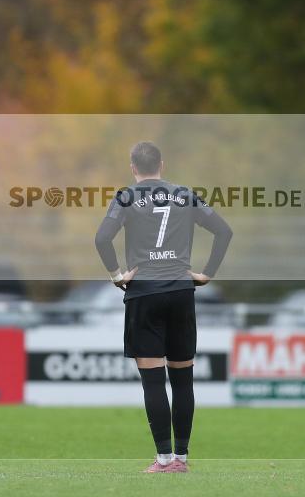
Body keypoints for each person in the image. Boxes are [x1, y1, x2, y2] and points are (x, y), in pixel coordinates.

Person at [95, 141, 233, 473]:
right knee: (183, 380)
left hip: (144, 294)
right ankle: (182, 460)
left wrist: (117, 275)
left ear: (133, 168)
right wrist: (207, 274)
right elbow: (224, 231)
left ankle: (163, 459)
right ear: (162, 164)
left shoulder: (126, 197)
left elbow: (102, 239)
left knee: (154, 382)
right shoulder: (185, 194)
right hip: (181, 291)